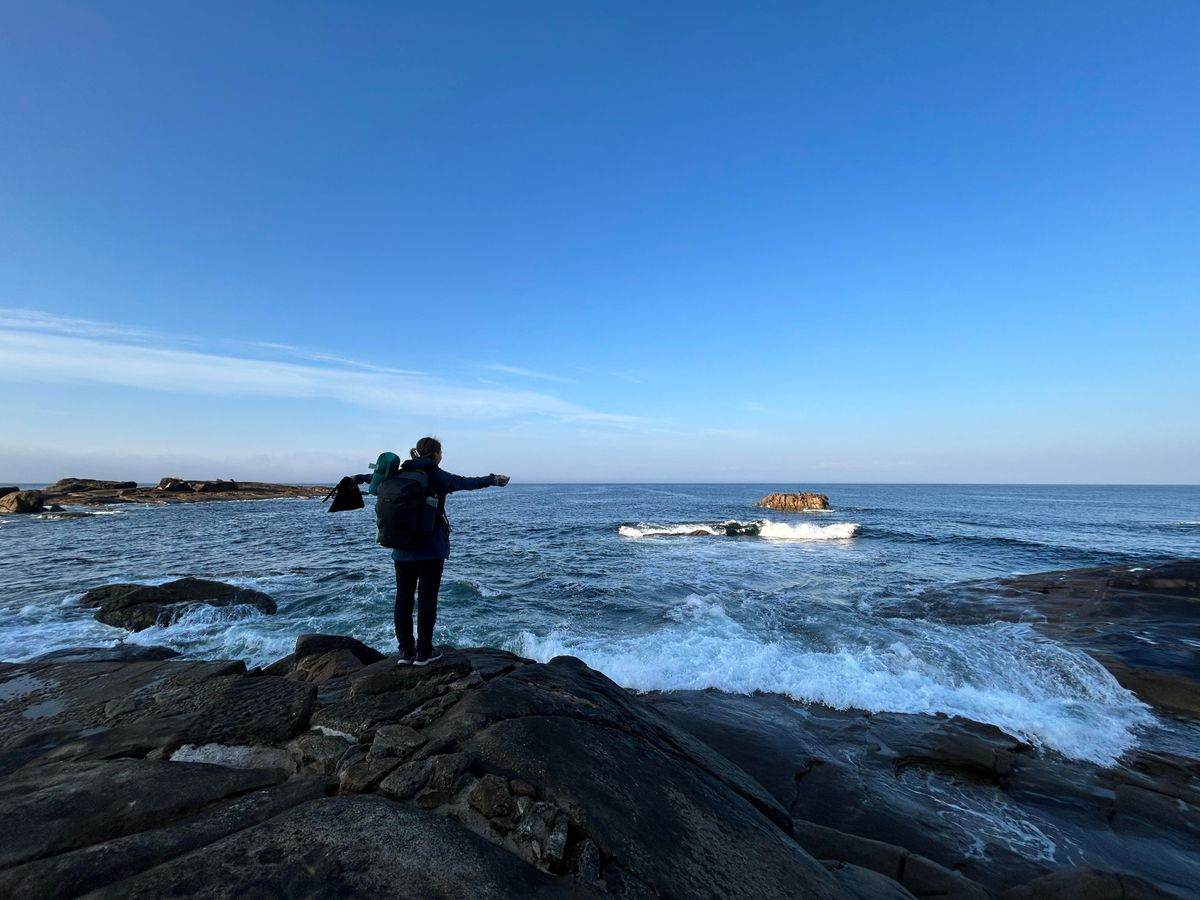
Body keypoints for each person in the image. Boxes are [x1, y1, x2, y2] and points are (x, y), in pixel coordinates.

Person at [354, 437, 509, 666]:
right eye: (440, 453)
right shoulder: (435, 475)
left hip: (401, 549)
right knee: (427, 600)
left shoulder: (398, 472)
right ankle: (424, 652)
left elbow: (372, 479)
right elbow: (464, 482)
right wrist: (494, 480)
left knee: (403, 600)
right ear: (436, 454)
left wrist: (356, 478)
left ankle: (405, 652)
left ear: (417, 452)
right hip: (430, 549)